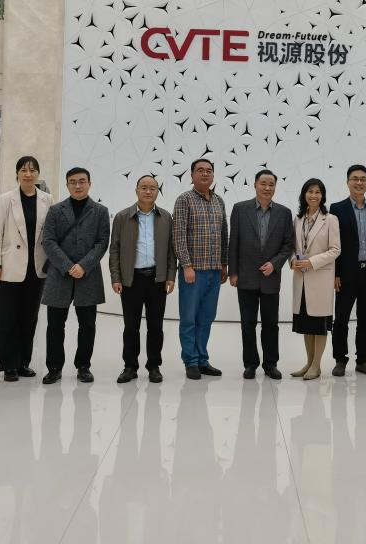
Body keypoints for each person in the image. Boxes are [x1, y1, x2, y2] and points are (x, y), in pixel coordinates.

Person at [40, 167, 111, 384]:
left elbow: (102, 242)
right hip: (59, 274)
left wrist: (83, 266)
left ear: (89, 183)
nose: (78, 185)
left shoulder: (100, 211)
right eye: (73, 182)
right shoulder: (55, 210)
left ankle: (83, 366)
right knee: (55, 325)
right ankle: (54, 367)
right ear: (67, 185)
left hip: (88, 275)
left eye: (82, 181)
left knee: (87, 325)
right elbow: (48, 241)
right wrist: (68, 265)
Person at [0, 155, 54, 382]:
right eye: (23, 170)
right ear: (17, 173)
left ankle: (23, 362)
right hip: (9, 266)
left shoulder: (47, 199)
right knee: (7, 318)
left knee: (29, 318)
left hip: (37, 268)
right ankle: (9, 364)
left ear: (38, 174)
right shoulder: (6, 199)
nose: (28, 174)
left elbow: (51, 233)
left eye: (32, 170)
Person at [228, 169, 295, 380]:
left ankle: (270, 364)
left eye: (271, 184)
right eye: (263, 183)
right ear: (255, 185)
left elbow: (288, 245)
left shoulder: (284, 213)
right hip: (245, 276)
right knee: (247, 324)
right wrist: (233, 272)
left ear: (275, 187)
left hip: (270, 277)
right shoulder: (240, 209)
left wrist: (274, 264)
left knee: (271, 324)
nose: (267, 188)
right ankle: (250, 364)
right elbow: (233, 242)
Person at [110, 174, 176, 384]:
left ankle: (154, 366)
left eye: (152, 188)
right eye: (144, 187)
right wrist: (116, 277)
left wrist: (171, 276)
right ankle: (130, 366)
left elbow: (171, 251)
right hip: (131, 279)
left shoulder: (166, 217)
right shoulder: (122, 217)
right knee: (131, 326)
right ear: (136, 190)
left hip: (157, 279)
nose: (148, 191)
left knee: (155, 326)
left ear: (157, 191)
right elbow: (114, 249)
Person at [173, 158, 229, 380]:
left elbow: (224, 234)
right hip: (193, 272)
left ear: (213, 175)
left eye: (209, 170)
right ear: (192, 175)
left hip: (214, 271)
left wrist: (224, 264)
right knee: (189, 318)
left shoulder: (219, 201)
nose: (205, 174)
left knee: (207, 317)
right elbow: (178, 236)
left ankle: (202, 359)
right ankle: (191, 361)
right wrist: (187, 265)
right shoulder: (184, 200)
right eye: (200, 170)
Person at [330, 164, 366, 377]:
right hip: (346, 273)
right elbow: (332, 243)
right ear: (348, 182)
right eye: (355, 179)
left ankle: (363, 360)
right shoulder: (337, 209)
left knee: (365, 319)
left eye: (363, 179)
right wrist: (335, 273)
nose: (359, 182)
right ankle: (340, 359)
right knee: (341, 319)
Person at [290, 178, 341, 380]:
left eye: (317, 192)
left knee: (319, 324)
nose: (313, 195)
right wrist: (293, 260)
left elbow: (335, 250)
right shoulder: (298, 219)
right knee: (306, 323)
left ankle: (317, 365)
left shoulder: (330, 219)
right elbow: (293, 247)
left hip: (320, 279)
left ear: (322, 196)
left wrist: (312, 262)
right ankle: (309, 362)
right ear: (304, 194)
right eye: (310, 191)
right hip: (301, 279)